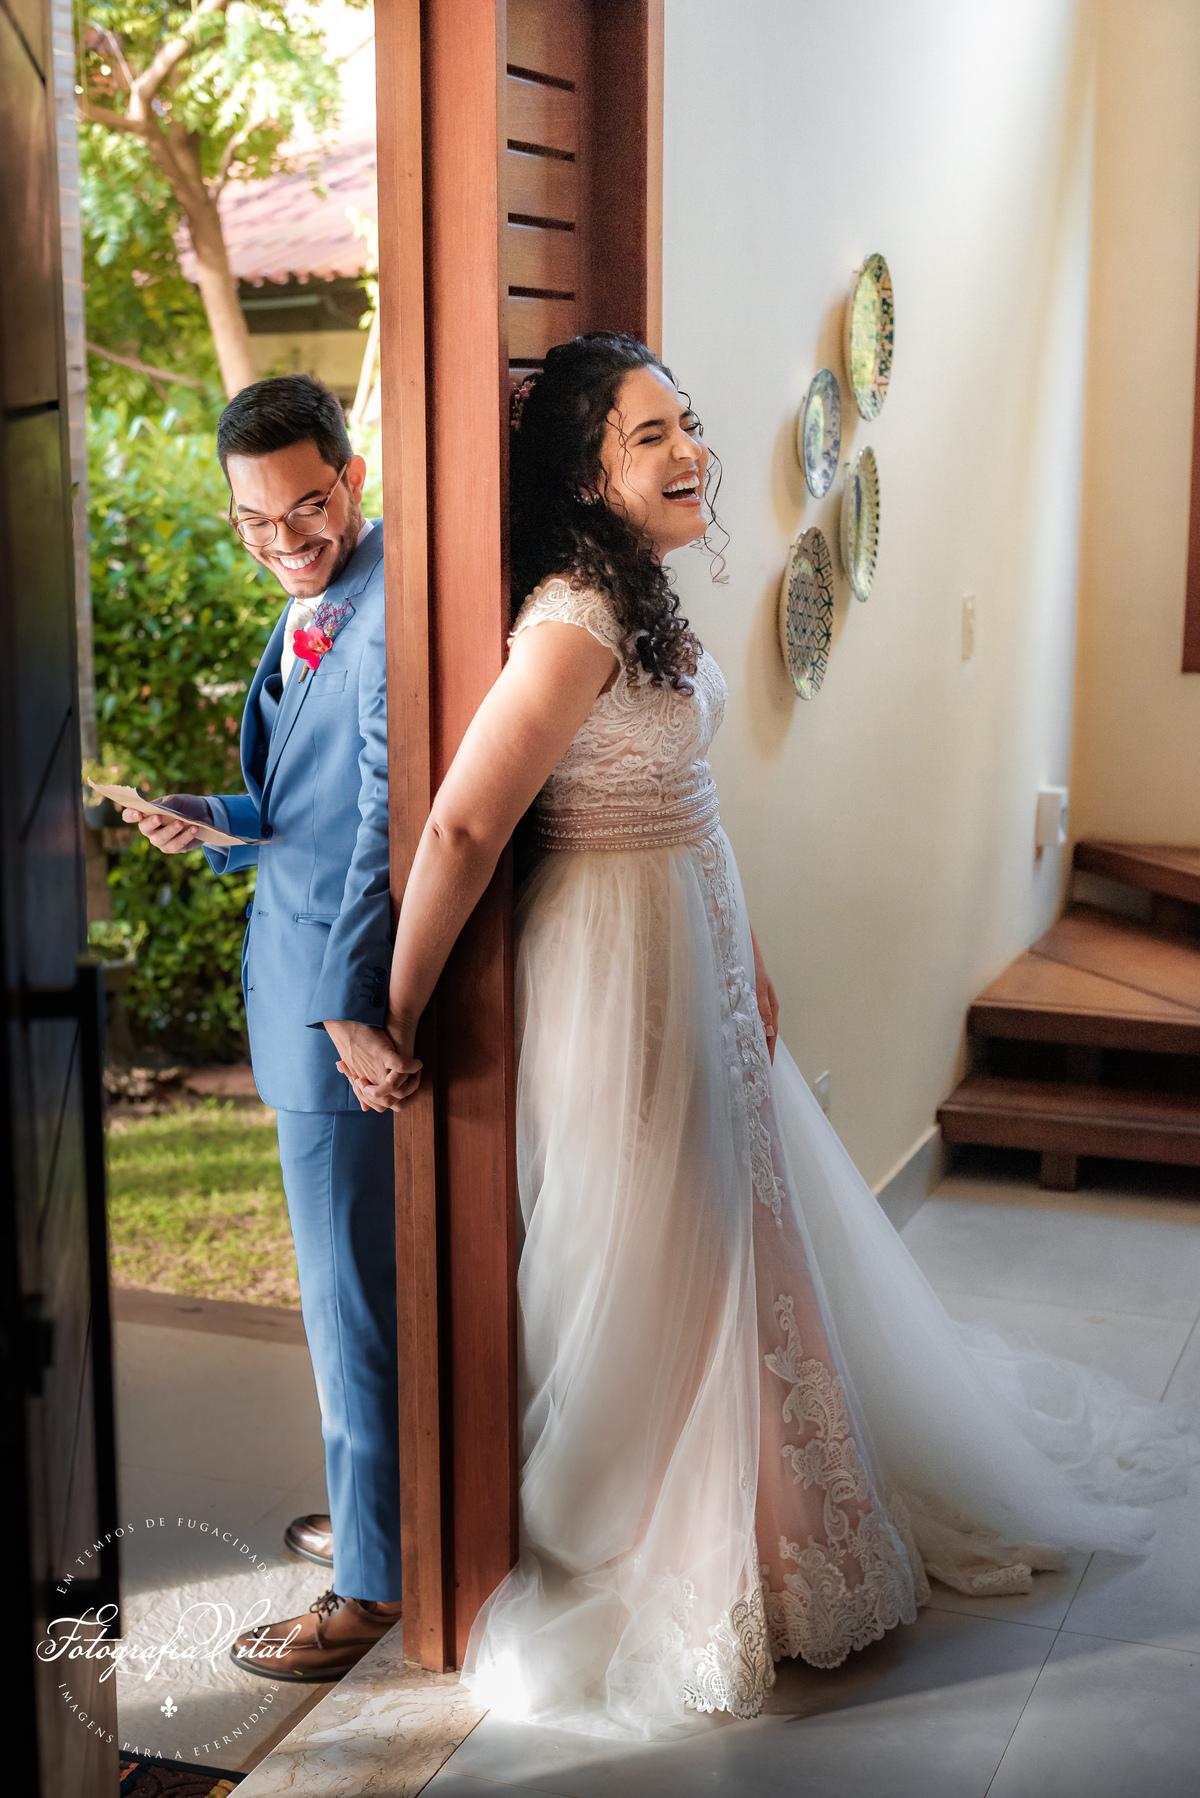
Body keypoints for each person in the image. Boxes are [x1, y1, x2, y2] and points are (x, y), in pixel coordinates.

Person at [356, 333, 1194, 1738]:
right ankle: (669, 1539)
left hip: (690, 936)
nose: (689, 451)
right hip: (613, 965)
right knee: (646, 1243)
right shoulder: (573, 615)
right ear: (581, 469)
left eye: (685, 423)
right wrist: (396, 1001)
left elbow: (692, 799)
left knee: (734, 1237)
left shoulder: (645, 594)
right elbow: (463, 820)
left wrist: (745, 954)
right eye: (646, 435)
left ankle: (774, 1514)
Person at [125, 374, 418, 1681]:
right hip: (302, 991)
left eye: (306, 507)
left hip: (331, 1017)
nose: (285, 540)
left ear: (348, 475)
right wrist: (212, 813)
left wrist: (351, 1005)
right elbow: (292, 804)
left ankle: (368, 1583)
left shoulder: (383, 614)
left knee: (344, 1303)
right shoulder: (317, 606)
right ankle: (378, 1515)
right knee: (354, 1292)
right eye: (256, 520)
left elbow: (377, 824)